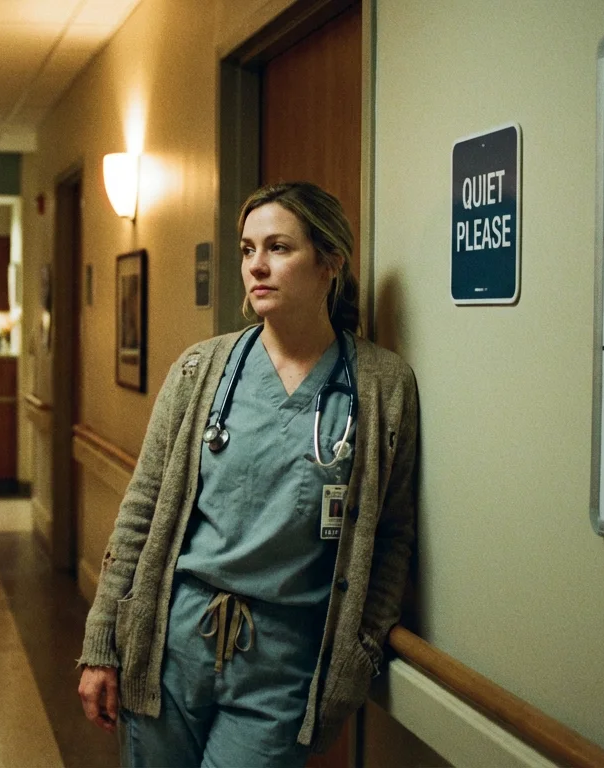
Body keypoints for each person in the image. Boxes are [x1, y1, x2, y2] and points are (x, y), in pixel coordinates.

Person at [76, 182, 418, 767]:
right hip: (170, 642)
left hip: (285, 663)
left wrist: (360, 647)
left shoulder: (382, 387)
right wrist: (101, 642)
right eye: (246, 249)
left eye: (279, 247)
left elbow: (391, 535)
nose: (256, 265)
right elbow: (141, 509)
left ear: (330, 261)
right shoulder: (201, 370)